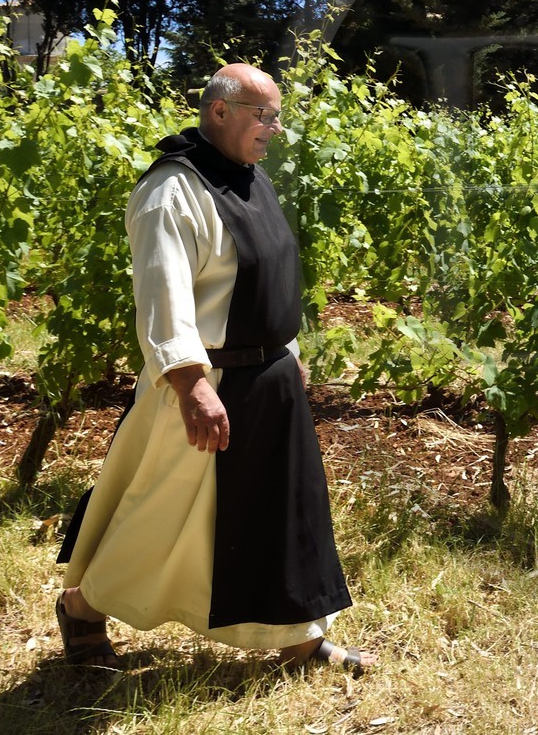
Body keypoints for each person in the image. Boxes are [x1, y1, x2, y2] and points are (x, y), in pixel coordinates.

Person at [54, 63, 371, 675]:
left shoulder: (251, 180)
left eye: (277, 116)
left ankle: (300, 638)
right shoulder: (171, 191)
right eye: (262, 115)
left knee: (283, 515)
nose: (274, 128)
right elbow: (163, 295)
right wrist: (190, 382)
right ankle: (83, 607)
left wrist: (289, 354)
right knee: (163, 514)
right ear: (219, 112)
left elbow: (271, 278)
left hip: (268, 382)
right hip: (207, 386)